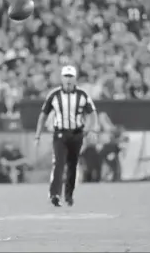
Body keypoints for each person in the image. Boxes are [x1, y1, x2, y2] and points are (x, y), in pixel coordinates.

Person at [34, 65, 99, 207]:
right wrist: (37, 135)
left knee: (72, 165)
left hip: (77, 133)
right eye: (66, 76)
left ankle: (69, 195)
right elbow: (43, 115)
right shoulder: (54, 95)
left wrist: (91, 130)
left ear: (75, 78)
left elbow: (92, 113)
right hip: (60, 134)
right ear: (62, 78)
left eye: (71, 77)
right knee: (59, 163)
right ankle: (55, 194)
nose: (68, 80)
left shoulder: (82, 94)